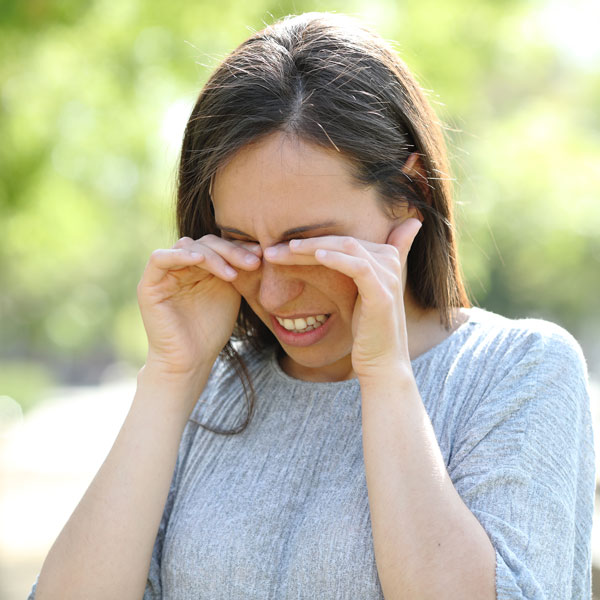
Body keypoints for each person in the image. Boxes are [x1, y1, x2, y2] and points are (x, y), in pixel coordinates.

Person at [28, 11, 595, 600]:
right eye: (244, 243)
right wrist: (172, 378)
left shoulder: (518, 371)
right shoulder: (213, 393)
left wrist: (385, 377)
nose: (273, 293)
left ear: (410, 196)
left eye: (308, 247)